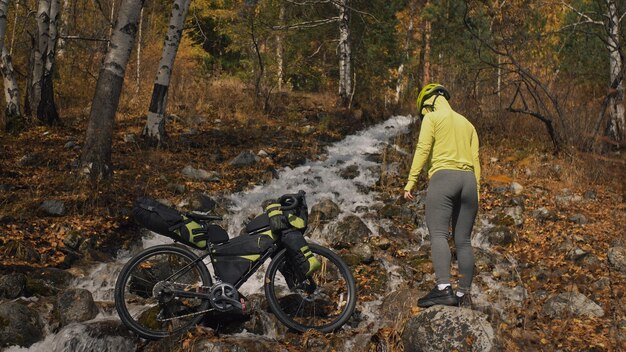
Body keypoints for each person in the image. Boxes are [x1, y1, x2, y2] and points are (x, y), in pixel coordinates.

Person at [403, 83, 480, 308]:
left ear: (428, 103)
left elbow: (423, 149)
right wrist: (478, 189)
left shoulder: (432, 118)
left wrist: (411, 182)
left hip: (444, 177)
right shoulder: (468, 124)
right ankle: (463, 295)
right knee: (463, 240)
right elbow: (476, 160)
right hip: (469, 182)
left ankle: (443, 289)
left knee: (438, 234)